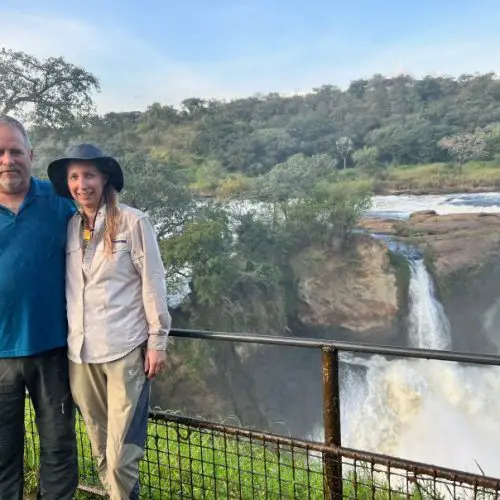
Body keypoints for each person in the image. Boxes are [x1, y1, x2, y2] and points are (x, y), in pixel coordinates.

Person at [47, 143, 171, 500]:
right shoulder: (70, 227)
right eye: (74, 176)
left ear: (104, 178)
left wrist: (157, 339)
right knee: (100, 450)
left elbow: (153, 280)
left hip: (125, 352)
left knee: (121, 455)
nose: (81, 183)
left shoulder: (133, 222)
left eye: (88, 175)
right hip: (81, 355)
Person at [0, 116, 78, 500]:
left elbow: (106, 238)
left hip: (52, 349)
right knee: (1, 454)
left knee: (59, 447)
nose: (7, 159)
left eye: (15, 151)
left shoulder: (61, 203)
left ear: (31, 155)